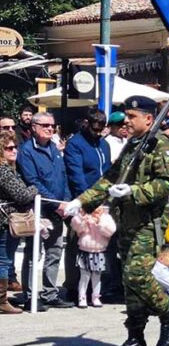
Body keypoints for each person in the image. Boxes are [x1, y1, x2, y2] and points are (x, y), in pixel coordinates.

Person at [59, 95, 169, 346]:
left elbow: (164, 185)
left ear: (148, 119)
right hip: (126, 222)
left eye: (132, 116)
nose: (126, 120)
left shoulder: (162, 146)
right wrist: (81, 201)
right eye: (126, 115)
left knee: (135, 276)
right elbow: (109, 179)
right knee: (130, 286)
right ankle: (136, 338)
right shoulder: (132, 146)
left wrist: (132, 191)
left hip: (148, 223)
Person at [17, 112, 72, 309]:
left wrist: (65, 202)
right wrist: (56, 204)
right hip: (39, 209)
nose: (50, 128)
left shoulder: (55, 150)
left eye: (53, 125)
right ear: (34, 127)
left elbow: (63, 177)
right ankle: (30, 295)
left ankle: (50, 293)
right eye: (46, 125)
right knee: (33, 254)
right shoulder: (26, 151)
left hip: (57, 208)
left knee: (55, 251)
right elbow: (33, 181)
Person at [63, 109, 112, 299]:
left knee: (102, 243)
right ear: (86, 123)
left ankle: (98, 288)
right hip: (82, 200)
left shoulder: (104, 144)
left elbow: (107, 173)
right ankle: (73, 287)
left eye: (101, 130)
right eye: (94, 129)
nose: (98, 133)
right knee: (78, 243)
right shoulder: (75, 143)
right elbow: (76, 175)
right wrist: (87, 201)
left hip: (103, 201)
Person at [0, 130, 37, 314]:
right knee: (4, 261)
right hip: (6, 220)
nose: (13, 150)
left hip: (7, 219)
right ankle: (1, 301)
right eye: (8, 148)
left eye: (15, 147)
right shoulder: (3, 171)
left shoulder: (9, 169)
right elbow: (21, 195)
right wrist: (34, 189)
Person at [70, 207, 115, 308]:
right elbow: (77, 228)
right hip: (85, 249)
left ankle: (96, 296)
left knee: (97, 276)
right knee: (84, 276)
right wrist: (82, 217)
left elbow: (110, 231)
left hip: (100, 250)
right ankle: (81, 297)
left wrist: (99, 222)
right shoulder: (84, 216)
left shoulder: (106, 217)